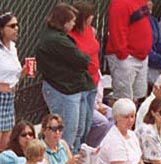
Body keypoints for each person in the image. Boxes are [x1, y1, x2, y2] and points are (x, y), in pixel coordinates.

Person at [35, 4, 96, 154]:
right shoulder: (56, 40)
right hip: (62, 89)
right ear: (63, 21)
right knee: (67, 131)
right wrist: (84, 59)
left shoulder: (59, 37)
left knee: (78, 129)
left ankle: (71, 163)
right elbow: (81, 59)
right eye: (71, 21)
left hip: (71, 87)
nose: (74, 24)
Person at [68, 4, 113, 148]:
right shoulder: (70, 36)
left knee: (87, 123)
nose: (92, 17)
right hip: (81, 84)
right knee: (79, 125)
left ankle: (88, 151)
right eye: (89, 15)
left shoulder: (89, 31)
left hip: (93, 82)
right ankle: (76, 152)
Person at [107, 0, 154, 102]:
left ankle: (136, 118)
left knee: (140, 96)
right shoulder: (119, 3)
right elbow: (117, 31)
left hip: (140, 56)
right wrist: (123, 54)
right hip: (126, 58)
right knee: (124, 100)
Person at [0, 12, 24, 152]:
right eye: (12, 26)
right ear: (2, 29)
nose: (16, 28)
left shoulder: (13, 48)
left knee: (5, 145)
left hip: (9, 98)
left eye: (17, 25)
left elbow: (13, 75)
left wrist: (24, 72)